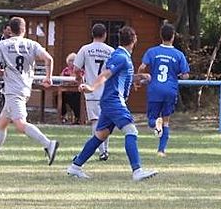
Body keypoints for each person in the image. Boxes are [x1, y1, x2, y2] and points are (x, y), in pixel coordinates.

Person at [67, 26, 157, 182]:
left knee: (100, 136)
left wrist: (140, 77)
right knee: (131, 131)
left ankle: (75, 167)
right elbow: (106, 74)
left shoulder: (122, 56)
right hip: (114, 100)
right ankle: (137, 171)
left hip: (109, 101)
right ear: (134, 40)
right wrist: (92, 87)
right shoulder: (120, 56)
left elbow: (121, 76)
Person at [0, 17, 59, 168]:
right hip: (23, 88)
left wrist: (0, 72)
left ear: (10, 30)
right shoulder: (32, 44)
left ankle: (48, 144)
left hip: (13, 91)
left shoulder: (3, 44)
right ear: (24, 30)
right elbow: (49, 59)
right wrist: (48, 77)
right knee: (1, 125)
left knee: (20, 124)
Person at [137, 24, 190, 157]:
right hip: (170, 90)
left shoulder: (152, 51)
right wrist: (177, 74)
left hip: (154, 89)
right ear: (173, 37)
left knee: (151, 119)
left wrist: (139, 79)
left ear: (161, 36)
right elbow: (185, 75)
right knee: (166, 121)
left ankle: (155, 123)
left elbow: (142, 67)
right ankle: (161, 150)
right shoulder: (178, 54)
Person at [74, 24, 114, 160]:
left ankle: (101, 151)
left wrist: (80, 79)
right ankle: (105, 149)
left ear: (92, 34)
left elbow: (76, 68)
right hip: (107, 91)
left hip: (91, 91)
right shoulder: (111, 51)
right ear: (105, 35)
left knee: (95, 121)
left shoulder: (85, 49)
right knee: (106, 121)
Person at [59, 53, 82, 123]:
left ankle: (77, 117)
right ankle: (63, 115)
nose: (71, 62)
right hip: (67, 90)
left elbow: (82, 80)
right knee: (59, 97)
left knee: (74, 99)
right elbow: (61, 79)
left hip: (78, 92)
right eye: (70, 60)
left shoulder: (80, 70)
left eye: (73, 60)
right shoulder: (65, 70)